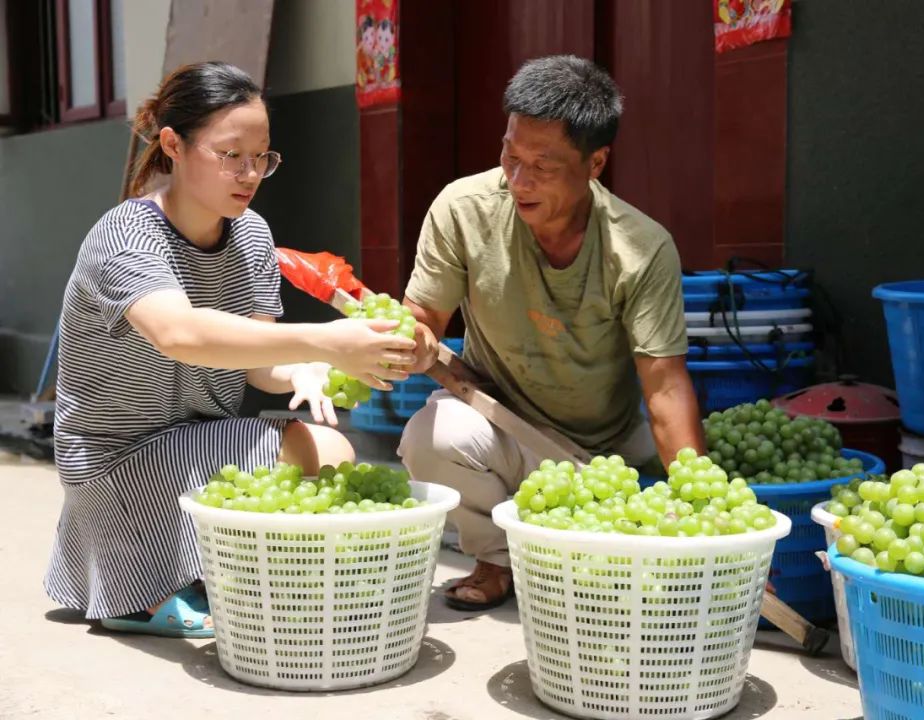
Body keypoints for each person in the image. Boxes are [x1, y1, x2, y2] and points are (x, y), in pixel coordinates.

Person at [44, 62, 416, 638]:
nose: (249, 174)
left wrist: (304, 372)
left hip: (193, 441)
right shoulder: (125, 235)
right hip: (112, 457)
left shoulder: (252, 234)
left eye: (261, 157)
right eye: (230, 154)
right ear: (173, 145)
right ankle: (142, 589)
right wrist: (322, 339)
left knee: (329, 448)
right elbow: (181, 335)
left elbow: (258, 365)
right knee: (316, 456)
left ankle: (222, 578)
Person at [399, 55, 706, 611]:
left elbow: (663, 386)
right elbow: (422, 320)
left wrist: (702, 505)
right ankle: (494, 557)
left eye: (542, 165)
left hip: (608, 449)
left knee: (631, 572)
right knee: (432, 436)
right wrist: (410, 344)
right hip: (505, 426)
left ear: (595, 164)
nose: (519, 180)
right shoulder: (463, 209)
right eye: (510, 156)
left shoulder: (641, 248)